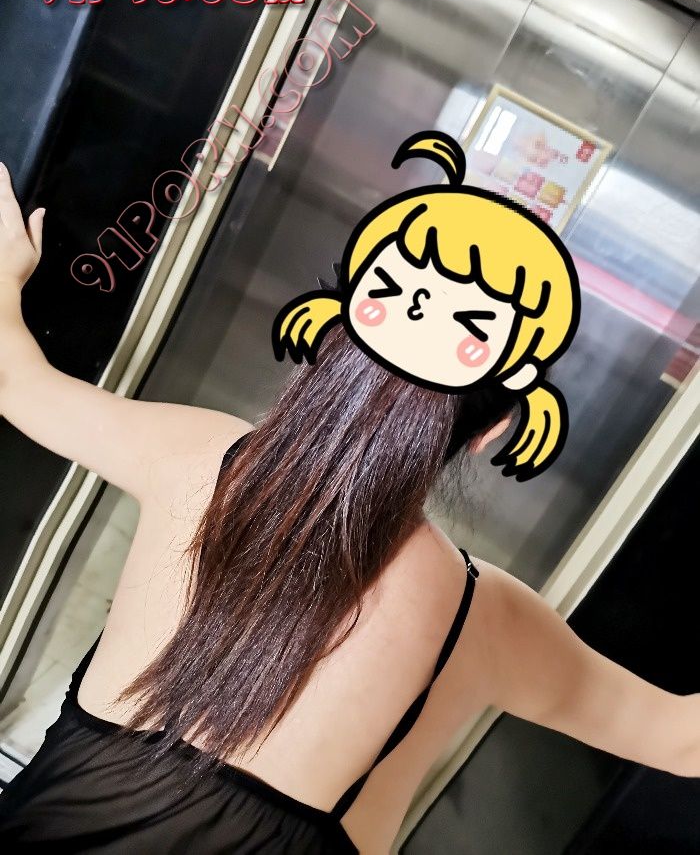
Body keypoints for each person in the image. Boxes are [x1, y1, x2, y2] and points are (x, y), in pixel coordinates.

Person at [0, 151, 697, 854]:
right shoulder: (484, 619)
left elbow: (14, 380)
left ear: (335, 333)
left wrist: (6, 275)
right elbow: (684, 741)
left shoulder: (194, 458)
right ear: (491, 431)